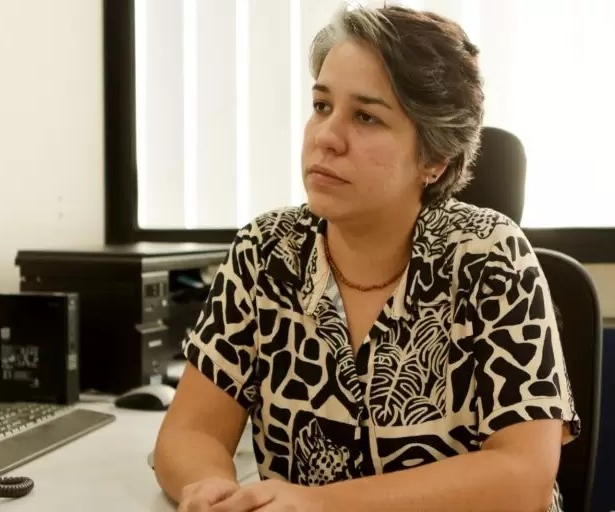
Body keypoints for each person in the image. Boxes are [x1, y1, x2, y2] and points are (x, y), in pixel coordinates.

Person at [153, 4, 580, 512]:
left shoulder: (491, 256)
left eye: (366, 117)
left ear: (434, 157)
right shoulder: (266, 251)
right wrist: (208, 487)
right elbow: (191, 431)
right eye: (321, 105)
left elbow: (523, 476)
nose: (326, 137)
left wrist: (323, 505)